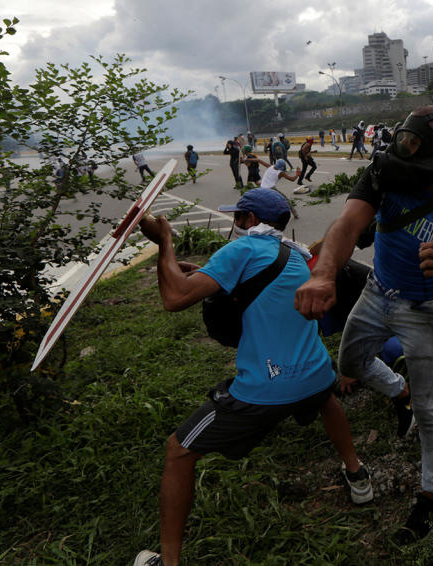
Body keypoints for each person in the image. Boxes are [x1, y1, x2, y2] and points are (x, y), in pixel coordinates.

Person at [294, 105, 433, 544]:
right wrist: (323, 273)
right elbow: (347, 223)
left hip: (425, 312)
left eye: (412, 145)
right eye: (402, 140)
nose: (400, 151)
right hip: (376, 292)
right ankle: (397, 392)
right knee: (348, 364)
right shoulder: (383, 173)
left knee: (432, 413)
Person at [132, 189, 372, 566]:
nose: (235, 223)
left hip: (264, 389)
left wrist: (165, 241)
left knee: (178, 451)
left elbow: (174, 299)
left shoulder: (240, 250)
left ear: (246, 220)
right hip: (315, 372)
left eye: (237, 217)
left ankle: (168, 561)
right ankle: (357, 474)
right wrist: (205, 274)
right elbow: (265, 285)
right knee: (327, 400)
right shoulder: (297, 253)